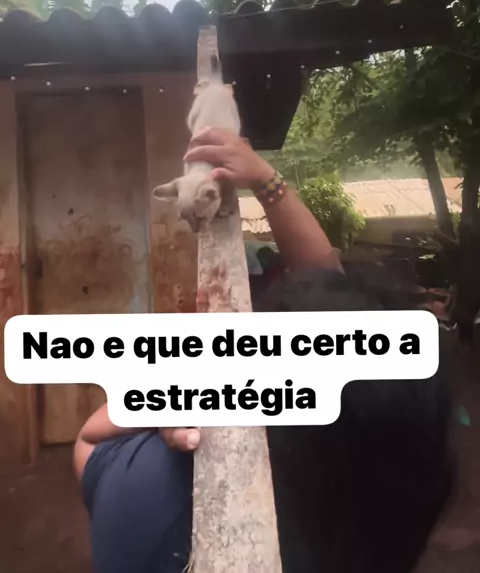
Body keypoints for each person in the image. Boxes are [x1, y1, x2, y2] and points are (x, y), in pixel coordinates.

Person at [74, 128, 455, 573]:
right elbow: (343, 329)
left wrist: (173, 386)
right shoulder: (398, 506)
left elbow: (88, 439)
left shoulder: (146, 493)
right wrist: (267, 183)